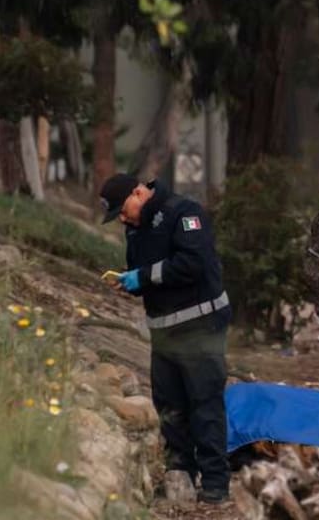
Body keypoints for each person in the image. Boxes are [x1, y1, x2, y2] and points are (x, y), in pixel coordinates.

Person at [99, 173, 231, 503]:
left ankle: (215, 484)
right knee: (170, 406)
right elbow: (150, 274)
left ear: (139, 192)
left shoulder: (184, 213)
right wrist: (131, 283)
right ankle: (179, 476)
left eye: (122, 211)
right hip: (164, 333)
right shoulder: (136, 229)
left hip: (201, 327)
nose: (123, 219)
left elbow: (192, 264)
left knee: (204, 404)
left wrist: (142, 277)